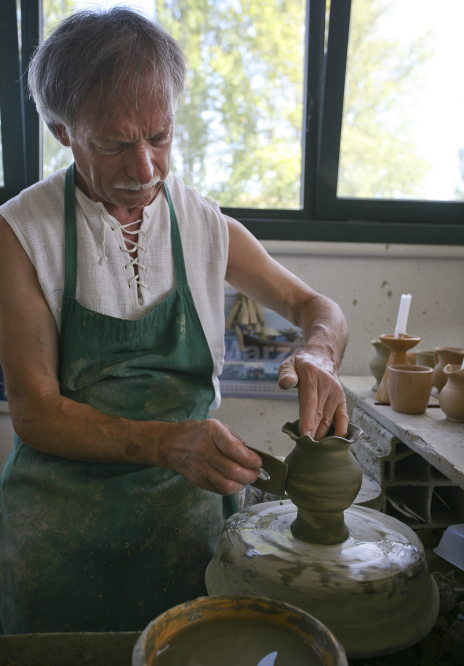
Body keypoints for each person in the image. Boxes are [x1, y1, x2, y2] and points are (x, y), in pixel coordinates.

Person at [0, 7, 349, 634]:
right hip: (60, 531)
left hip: (184, 520)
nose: (145, 170)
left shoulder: (202, 224)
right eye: (113, 143)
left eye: (159, 137)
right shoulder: (22, 234)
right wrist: (165, 442)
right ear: (61, 130)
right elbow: (34, 413)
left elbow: (316, 309)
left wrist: (320, 351)